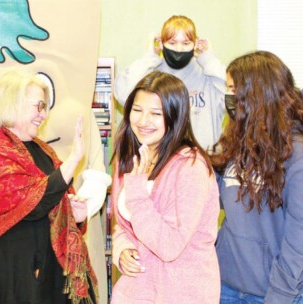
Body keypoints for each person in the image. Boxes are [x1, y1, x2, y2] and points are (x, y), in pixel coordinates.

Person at [0, 70, 98, 304]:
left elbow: (57, 197)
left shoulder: (43, 149)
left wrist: (75, 215)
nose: (43, 115)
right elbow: (33, 202)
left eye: (45, 107)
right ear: (11, 103)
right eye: (38, 106)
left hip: (46, 277)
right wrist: (73, 160)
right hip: (7, 278)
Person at [110, 71, 220, 303]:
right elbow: (123, 224)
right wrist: (122, 249)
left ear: (174, 116)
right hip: (136, 290)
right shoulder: (132, 156)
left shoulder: (191, 166)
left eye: (155, 114)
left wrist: (138, 194)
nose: (143, 121)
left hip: (180, 292)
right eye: (137, 110)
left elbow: (169, 245)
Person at [213, 51, 303, 304]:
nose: (228, 97)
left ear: (258, 94)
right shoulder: (239, 142)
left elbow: (298, 243)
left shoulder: (297, 157)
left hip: (274, 293)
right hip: (226, 286)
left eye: (234, 89)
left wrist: (280, 296)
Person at [114, 15, 226, 152]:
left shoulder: (208, 73)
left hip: (206, 160)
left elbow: (234, 101)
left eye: (185, 43)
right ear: (161, 43)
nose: (179, 49)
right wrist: (149, 57)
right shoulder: (152, 73)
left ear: (195, 43)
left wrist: (209, 60)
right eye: (172, 43)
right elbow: (122, 95)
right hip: (161, 162)